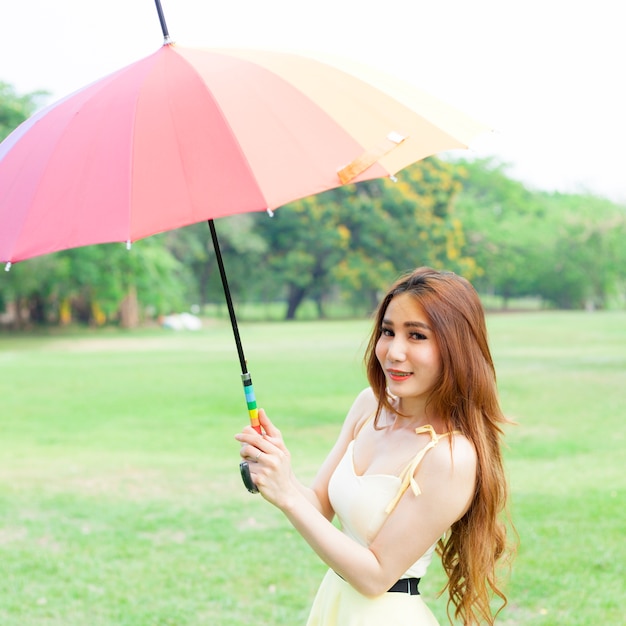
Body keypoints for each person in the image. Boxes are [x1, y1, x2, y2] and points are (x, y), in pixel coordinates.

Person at [235, 267, 513, 625]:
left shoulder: (451, 456)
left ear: (455, 347)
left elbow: (376, 575)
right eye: (388, 331)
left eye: (416, 336)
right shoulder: (369, 406)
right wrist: (280, 468)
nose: (394, 351)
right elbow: (318, 506)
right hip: (335, 605)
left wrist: (287, 495)